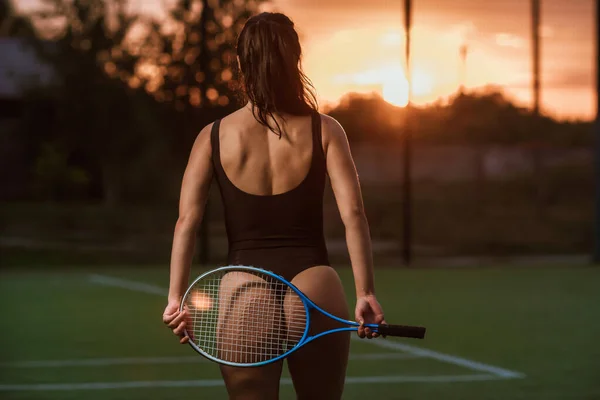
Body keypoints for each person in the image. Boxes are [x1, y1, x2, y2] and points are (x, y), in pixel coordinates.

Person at [162, 11, 386, 400]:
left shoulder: (212, 136)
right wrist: (365, 292)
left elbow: (186, 222)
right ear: (295, 61)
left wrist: (175, 298)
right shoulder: (326, 129)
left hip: (242, 289)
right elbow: (354, 215)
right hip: (315, 285)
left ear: (240, 63)